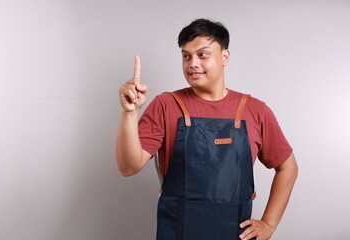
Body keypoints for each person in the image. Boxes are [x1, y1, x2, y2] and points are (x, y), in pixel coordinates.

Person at [116, 18, 298, 240]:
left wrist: (268, 224)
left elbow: (288, 168)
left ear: (224, 57)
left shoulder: (254, 110)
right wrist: (129, 113)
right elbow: (128, 167)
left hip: (235, 234)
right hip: (177, 232)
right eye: (186, 56)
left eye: (202, 54)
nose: (192, 63)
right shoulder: (166, 105)